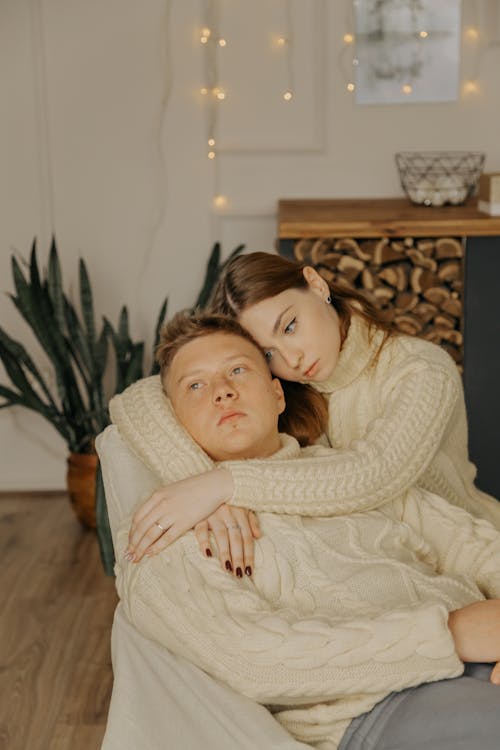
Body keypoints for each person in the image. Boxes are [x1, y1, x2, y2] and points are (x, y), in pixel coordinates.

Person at [111, 311, 500, 750]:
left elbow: (477, 547)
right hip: (384, 703)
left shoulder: (345, 474)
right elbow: (254, 660)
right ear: (172, 421)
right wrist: (450, 634)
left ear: (278, 394)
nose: (222, 392)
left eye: (237, 370)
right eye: (195, 386)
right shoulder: (168, 528)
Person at [123, 251, 500, 565]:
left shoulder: (422, 368)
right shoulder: (280, 387)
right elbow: (139, 399)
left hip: (467, 553)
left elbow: (374, 475)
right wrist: (202, 489)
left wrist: (221, 486)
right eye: (267, 353)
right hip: (377, 556)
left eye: (289, 326)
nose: (292, 358)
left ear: (317, 285)